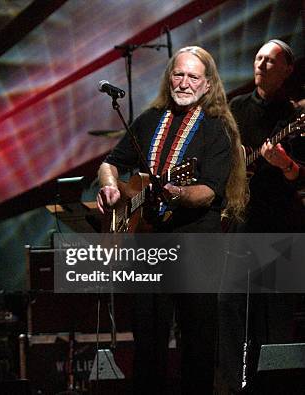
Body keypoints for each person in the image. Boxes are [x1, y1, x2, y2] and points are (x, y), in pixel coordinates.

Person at [97, 46, 247, 394]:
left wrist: (178, 192)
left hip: (196, 246)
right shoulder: (150, 119)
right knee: (147, 340)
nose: (184, 82)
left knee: (197, 341)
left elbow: (208, 192)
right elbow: (110, 163)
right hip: (149, 245)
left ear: (208, 85)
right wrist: (109, 187)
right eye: (178, 74)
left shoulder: (218, 128)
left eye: (193, 76)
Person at [218, 39, 304, 392]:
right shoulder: (236, 109)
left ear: (287, 70)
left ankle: (278, 386)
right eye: (258, 58)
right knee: (228, 303)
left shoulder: (295, 116)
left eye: (271, 60)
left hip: (281, 225)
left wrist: (287, 165)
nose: (262, 64)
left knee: (277, 316)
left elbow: (302, 172)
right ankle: (235, 385)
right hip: (242, 223)